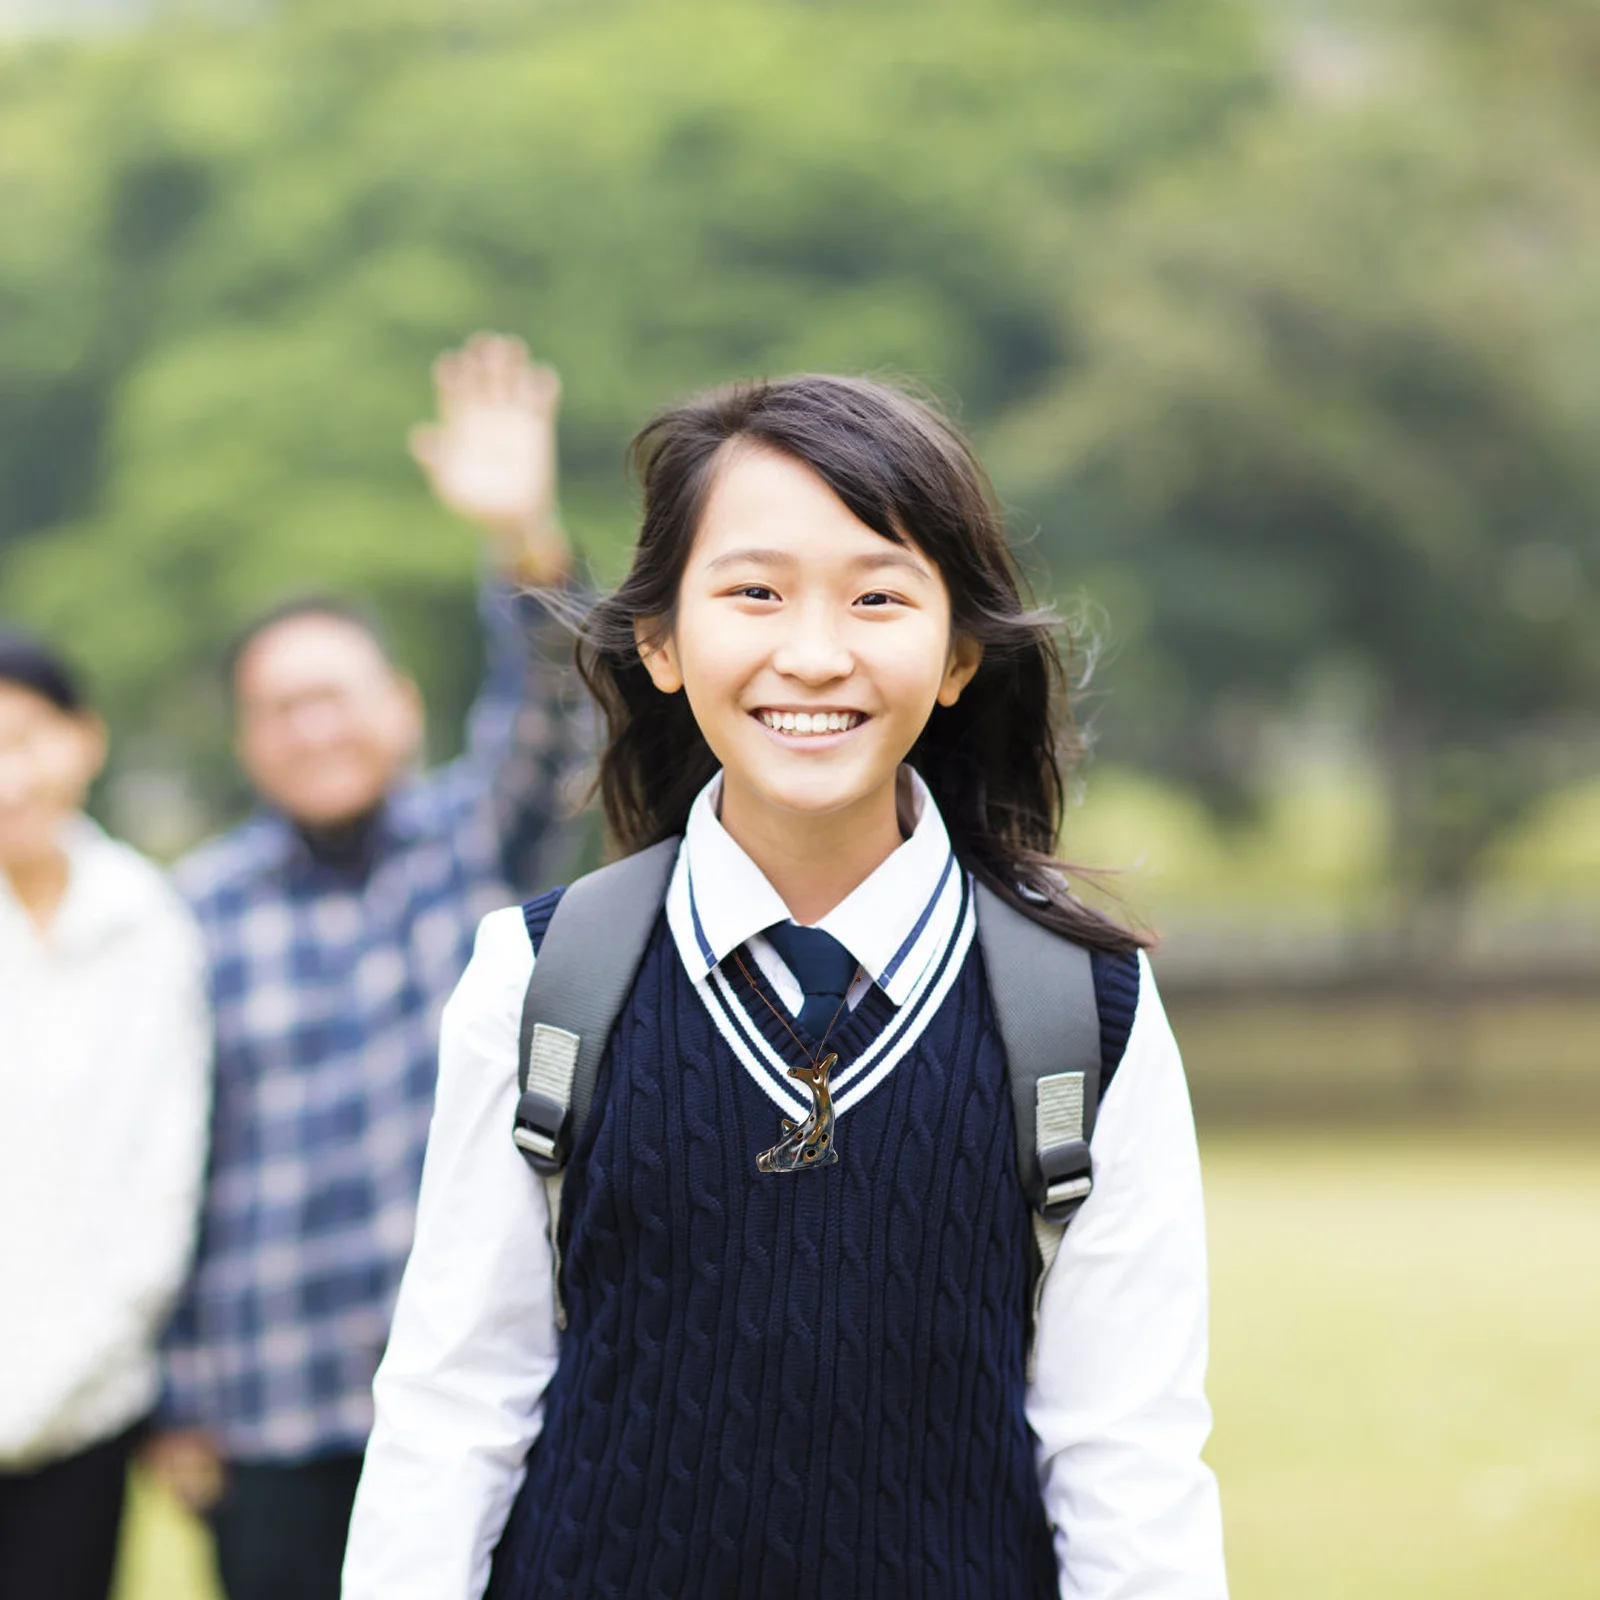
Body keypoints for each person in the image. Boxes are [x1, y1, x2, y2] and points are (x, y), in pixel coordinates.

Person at [343, 375, 1228, 1597]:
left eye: (876, 597)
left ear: (960, 651)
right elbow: (453, 1410)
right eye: (753, 591)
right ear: (658, 639)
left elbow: (1126, 1455)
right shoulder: (541, 980)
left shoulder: (1090, 1011)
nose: (813, 655)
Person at [144, 334, 590, 1600]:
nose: (313, 725)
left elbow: (560, 703)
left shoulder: (473, 844)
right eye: (280, 707)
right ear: (248, 740)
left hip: (478, 1386)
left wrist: (524, 538)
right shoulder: (199, 911)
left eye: (335, 694)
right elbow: (171, 1155)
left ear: (399, 705)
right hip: (270, 1407)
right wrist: (176, 1398)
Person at [0, 632, 211, 1600]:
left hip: (85, 1407)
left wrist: (47, 1385)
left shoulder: (148, 923)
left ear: (83, 739)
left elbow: (157, 1189)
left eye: (26, 739)